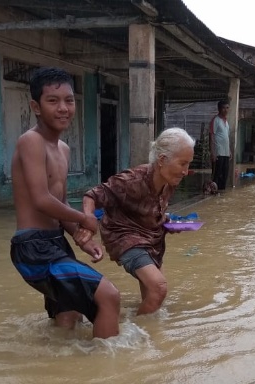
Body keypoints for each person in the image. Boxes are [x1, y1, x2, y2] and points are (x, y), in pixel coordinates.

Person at [9, 67, 120, 339]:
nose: (63, 108)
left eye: (69, 100)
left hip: (56, 243)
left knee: (69, 315)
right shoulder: (30, 141)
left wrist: (82, 239)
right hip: (33, 247)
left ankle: (61, 372)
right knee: (109, 296)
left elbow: (59, 203)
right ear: (35, 106)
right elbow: (41, 200)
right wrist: (85, 218)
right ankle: (110, 370)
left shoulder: (64, 149)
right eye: (53, 101)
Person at [78, 128, 195, 315]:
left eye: (188, 164)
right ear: (162, 160)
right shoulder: (130, 180)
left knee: (153, 298)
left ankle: (145, 336)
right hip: (125, 237)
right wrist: (88, 220)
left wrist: (168, 222)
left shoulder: (169, 182)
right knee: (159, 287)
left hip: (152, 237)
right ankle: (131, 334)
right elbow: (92, 195)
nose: (186, 171)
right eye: (182, 164)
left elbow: (151, 210)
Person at [209, 100, 231, 191]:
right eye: (223, 108)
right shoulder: (216, 120)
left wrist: (229, 150)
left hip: (226, 153)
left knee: (224, 175)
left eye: (227, 108)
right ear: (219, 109)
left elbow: (226, 137)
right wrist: (213, 152)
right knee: (216, 174)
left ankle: (222, 194)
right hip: (218, 152)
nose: (225, 110)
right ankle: (213, 193)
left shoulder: (226, 122)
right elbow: (212, 135)